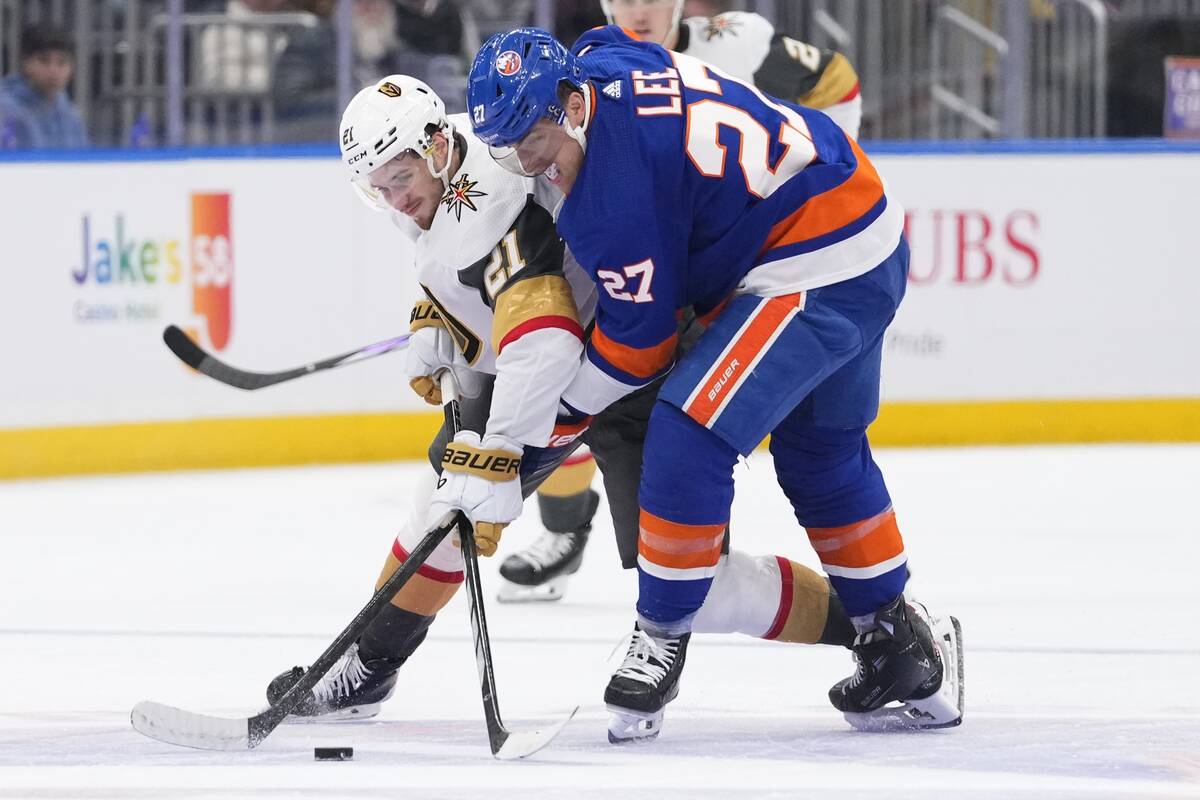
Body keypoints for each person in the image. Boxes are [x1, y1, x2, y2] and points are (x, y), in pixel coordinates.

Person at [264, 74, 858, 725]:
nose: (395, 200)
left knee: (701, 585)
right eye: (378, 190)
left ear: (435, 149)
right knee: (439, 515)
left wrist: (496, 452)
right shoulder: (460, 139)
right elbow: (476, 281)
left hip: (633, 362)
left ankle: (879, 632)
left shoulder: (493, 208)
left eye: (400, 180)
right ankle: (369, 666)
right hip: (570, 355)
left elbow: (540, 343)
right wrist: (438, 316)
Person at [466, 27, 964, 742]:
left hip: (810, 259)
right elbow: (617, 41)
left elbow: (641, 350)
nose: (520, 163)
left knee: (688, 430)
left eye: (531, 142)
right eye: (501, 145)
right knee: (820, 454)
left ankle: (659, 635)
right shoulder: (601, 63)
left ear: (572, 108)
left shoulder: (611, 198)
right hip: (860, 213)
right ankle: (901, 641)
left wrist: (551, 422)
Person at [601, 0, 863, 138]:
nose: (639, 15)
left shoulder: (737, 41)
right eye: (625, 0)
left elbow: (835, 78)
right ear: (608, 6)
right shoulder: (595, 72)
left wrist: (832, 171)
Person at [0, 25, 89, 149]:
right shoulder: (6, 110)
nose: (53, 71)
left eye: (62, 62)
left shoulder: (70, 114)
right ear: (25, 63)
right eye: (44, 61)